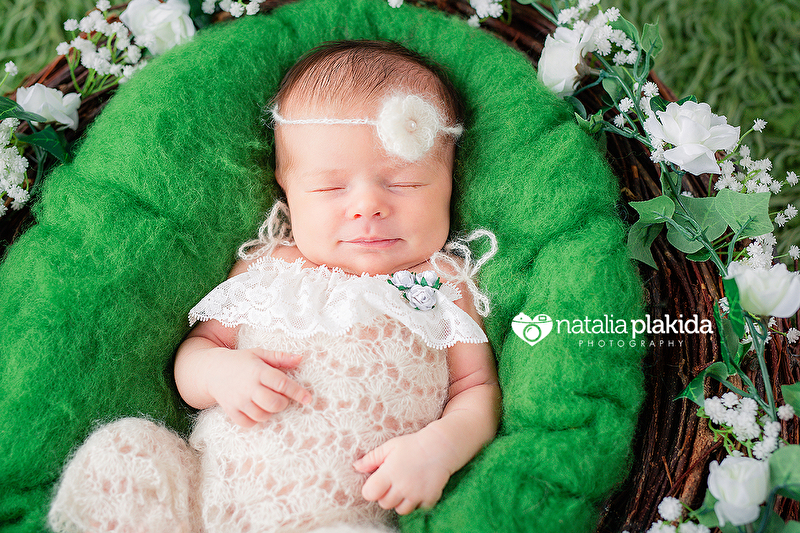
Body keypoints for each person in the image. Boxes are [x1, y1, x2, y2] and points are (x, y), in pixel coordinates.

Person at [49, 40, 500, 533]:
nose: (368, 206)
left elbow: (476, 391)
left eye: (404, 183)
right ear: (287, 187)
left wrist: (438, 449)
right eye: (330, 187)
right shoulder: (268, 265)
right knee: (124, 451)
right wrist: (218, 372)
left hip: (337, 517)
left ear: (449, 179)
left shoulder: (442, 283)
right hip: (206, 491)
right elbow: (198, 350)